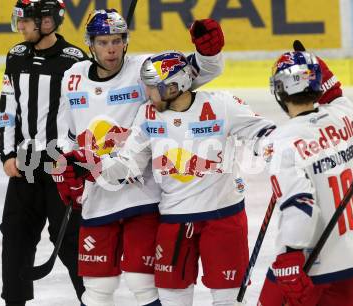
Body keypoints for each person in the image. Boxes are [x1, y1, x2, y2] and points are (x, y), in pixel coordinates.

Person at [59, 50, 275, 306]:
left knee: (228, 299)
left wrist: (275, 155)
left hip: (223, 217)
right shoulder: (147, 115)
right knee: (172, 301)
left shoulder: (222, 104)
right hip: (174, 219)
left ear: (175, 86)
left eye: (152, 88)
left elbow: (264, 132)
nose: (146, 93)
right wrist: (93, 165)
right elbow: (129, 167)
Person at [52, 10, 226, 306]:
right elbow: (66, 135)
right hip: (97, 195)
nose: (111, 49)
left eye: (117, 41)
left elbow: (197, 72)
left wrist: (208, 52)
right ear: (90, 44)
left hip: (142, 193)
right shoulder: (73, 77)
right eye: (104, 42)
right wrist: (65, 171)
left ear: (125, 41)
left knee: (142, 281)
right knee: (97, 289)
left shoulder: (143, 70)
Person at [257, 50, 353, 306]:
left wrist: (291, 256)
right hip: (348, 260)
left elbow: (300, 204)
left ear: (280, 90)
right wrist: (327, 79)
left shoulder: (281, 141)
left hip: (307, 264)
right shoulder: (344, 118)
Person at [0, 0, 87, 305]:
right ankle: (14, 300)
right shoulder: (16, 56)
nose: (20, 27)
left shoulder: (74, 61)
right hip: (25, 163)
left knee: (71, 241)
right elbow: (7, 108)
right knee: (15, 236)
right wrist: (7, 153)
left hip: (61, 164)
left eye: (26, 21)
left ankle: (92, 299)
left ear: (46, 22)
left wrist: (79, 157)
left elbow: (85, 113)